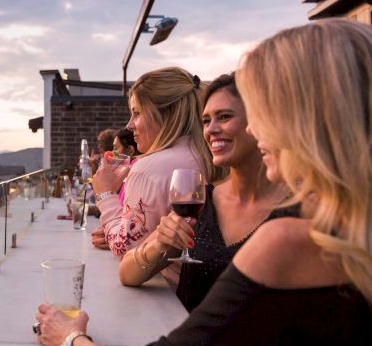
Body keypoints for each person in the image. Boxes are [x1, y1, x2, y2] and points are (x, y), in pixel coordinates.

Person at [34, 19, 372, 346]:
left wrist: (71, 340)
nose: (255, 129)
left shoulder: (295, 238)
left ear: (311, 120)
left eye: (264, 109)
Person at [118, 73, 297, 311]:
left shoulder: (296, 209)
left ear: (261, 122)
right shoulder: (202, 200)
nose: (211, 129)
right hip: (189, 342)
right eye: (205, 120)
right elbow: (128, 274)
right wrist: (159, 244)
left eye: (224, 117)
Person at [91, 67, 224, 257]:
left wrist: (105, 195)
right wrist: (120, 229)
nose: (129, 125)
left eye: (137, 113)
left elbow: (125, 250)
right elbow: (146, 236)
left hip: (167, 284)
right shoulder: (208, 155)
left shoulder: (149, 169)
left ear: (166, 114)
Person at [91, 129, 140, 250]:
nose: (111, 153)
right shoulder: (126, 175)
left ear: (130, 151)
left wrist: (113, 239)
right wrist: (110, 232)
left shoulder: (136, 175)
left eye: (115, 148)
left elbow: (136, 230)